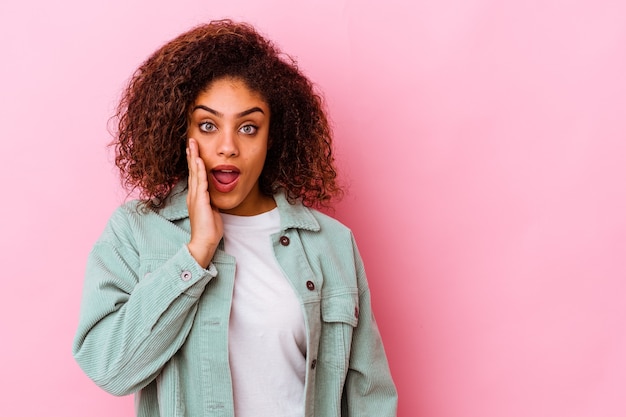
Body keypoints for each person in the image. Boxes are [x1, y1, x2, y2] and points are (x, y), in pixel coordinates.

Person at [72, 20, 397, 417]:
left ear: (271, 137)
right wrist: (196, 253)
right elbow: (110, 370)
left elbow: (370, 397)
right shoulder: (136, 230)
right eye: (208, 126)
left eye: (248, 127)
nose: (227, 147)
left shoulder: (331, 242)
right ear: (181, 131)